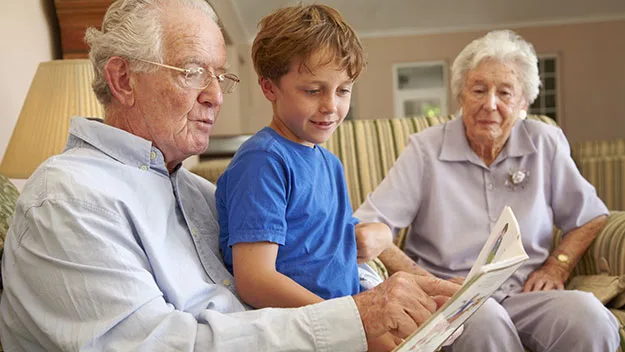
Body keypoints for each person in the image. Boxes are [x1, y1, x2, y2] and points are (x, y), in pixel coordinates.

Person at [0, 0, 460, 351]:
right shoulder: (70, 198)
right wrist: (353, 321)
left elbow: (330, 240)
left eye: (221, 77)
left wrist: (413, 282)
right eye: (194, 72)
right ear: (123, 81)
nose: (216, 97)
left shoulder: (195, 191)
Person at [354, 29, 621, 352]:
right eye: (478, 89)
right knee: (485, 318)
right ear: (461, 96)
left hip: (526, 294)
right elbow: (368, 227)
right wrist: (424, 280)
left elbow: (591, 217)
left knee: (588, 315)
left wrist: (557, 265)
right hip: (453, 297)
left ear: (523, 102)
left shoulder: (544, 142)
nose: (490, 104)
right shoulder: (426, 149)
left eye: (505, 93)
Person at [215, 4, 404, 350]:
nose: (331, 105)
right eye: (313, 90)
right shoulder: (263, 161)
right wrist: (350, 321)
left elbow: (334, 237)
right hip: (304, 330)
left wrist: (379, 233)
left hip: (345, 315)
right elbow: (255, 279)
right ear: (270, 88)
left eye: (343, 90)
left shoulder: (330, 163)